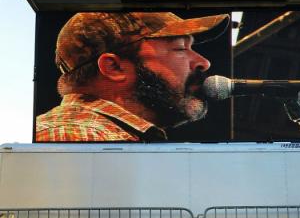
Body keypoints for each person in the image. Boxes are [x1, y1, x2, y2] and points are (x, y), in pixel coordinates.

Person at [35, 12, 230, 142]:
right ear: (114, 67)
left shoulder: (108, 138)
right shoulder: (75, 136)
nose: (204, 62)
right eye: (180, 48)